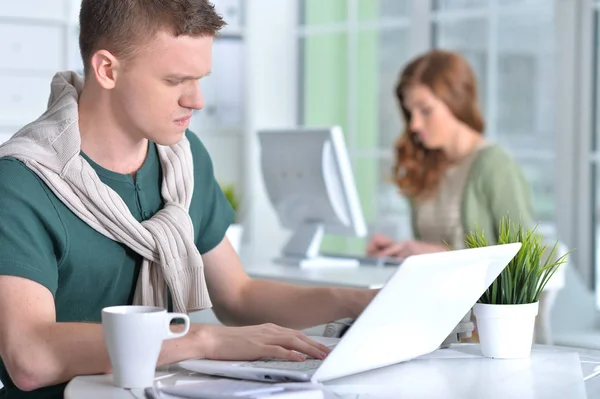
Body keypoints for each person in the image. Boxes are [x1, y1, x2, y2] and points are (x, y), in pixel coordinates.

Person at [0, 1, 376, 398]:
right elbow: (30, 355)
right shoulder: (22, 181)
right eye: (175, 80)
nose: (196, 100)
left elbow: (238, 296)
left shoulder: (184, 159)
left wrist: (354, 300)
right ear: (107, 69)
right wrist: (200, 341)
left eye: (200, 79)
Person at [367, 49, 534, 259]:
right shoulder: (427, 163)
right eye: (410, 113)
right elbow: (429, 250)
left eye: (426, 111)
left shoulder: (495, 166)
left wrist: (442, 254)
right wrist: (399, 252)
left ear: (456, 103)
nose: (414, 125)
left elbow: (525, 265)